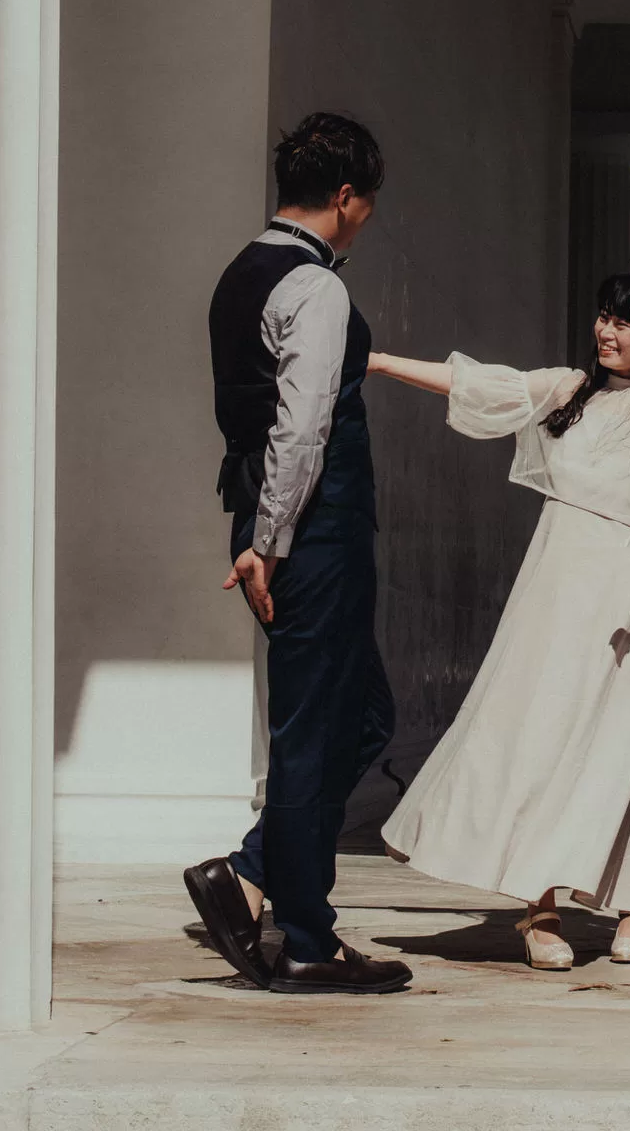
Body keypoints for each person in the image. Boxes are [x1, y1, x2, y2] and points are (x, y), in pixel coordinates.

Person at [370, 270, 630, 969]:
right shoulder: (567, 392)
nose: (607, 330)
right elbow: (476, 385)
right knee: (535, 738)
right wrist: (380, 362)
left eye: (625, 321)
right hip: (554, 590)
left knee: (626, 752)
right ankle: (537, 907)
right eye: (604, 315)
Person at [184, 113, 410, 995]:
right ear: (346, 196)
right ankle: (309, 943)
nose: (366, 219)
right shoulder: (313, 289)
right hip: (312, 533)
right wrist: (272, 541)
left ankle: (251, 872)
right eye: (369, 204)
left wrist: (252, 535)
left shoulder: (240, 273)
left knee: (359, 718)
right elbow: (301, 428)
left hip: (270, 527)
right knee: (315, 730)